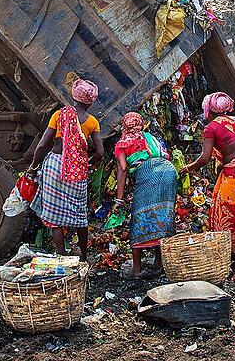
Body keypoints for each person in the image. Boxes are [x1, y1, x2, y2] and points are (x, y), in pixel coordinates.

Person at [180, 92, 235, 269]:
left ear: (210, 110)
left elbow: (204, 158)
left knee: (225, 212)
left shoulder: (210, 128)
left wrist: (187, 168)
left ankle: (231, 256)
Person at [28, 78, 104, 261]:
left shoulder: (59, 115)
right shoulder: (92, 121)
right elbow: (100, 151)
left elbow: (42, 145)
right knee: (78, 214)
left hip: (54, 167)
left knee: (54, 217)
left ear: (74, 96)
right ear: (91, 101)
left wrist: (33, 166)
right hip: (77, 169)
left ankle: (61, 255)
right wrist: (86, 162)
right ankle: (84, 257)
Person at [112, 112, 177, 278]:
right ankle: (158, 263)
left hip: (150, 173)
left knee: (139, 218)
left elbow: (123, 169)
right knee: (162, 216)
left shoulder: (122, 143)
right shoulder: (150, 137)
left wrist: (118, 200)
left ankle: (136, 269)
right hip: (169, 171)